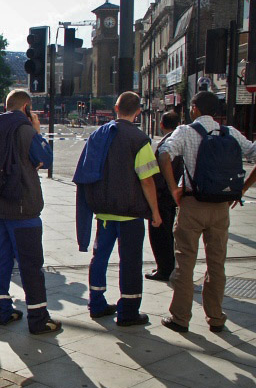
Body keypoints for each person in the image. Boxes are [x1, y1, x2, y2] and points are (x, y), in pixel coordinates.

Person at [158, 90, 256, 333]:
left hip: (192, 204)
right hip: (221, 207)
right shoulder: (231, 133)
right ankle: (216, 318)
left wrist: (174, 189)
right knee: (217, 264)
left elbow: (164, 153)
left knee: (185, 261)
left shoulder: (185, 131)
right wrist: (241, 190)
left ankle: (180, 317)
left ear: (194, 108)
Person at [0, 89, 60, 334]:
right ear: (26, 107)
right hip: (22, 207)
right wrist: (37, 131)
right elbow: (46, 158)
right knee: (31, 264)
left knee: (2, 258)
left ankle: (3, 310)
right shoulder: (25, 131)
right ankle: (39, 318)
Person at [74, 91, 161, 327]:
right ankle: (128, 311)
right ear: (139, 112)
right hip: (130, 212)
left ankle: (97, 303)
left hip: (103, 211)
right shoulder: (139, 139)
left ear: (115, 108)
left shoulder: (99, 135)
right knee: (130, 260)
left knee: (99, 256)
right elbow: (147, 180)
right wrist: (155, 211)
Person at [145, 110, 182, 281]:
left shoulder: (165, 145)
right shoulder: (180, 142)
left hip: (163, 194)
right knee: (168, 232)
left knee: (159, 233)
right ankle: (169, 265)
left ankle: (164, 268)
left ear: (161, 125)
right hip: (173, 194)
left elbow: (157, 173)